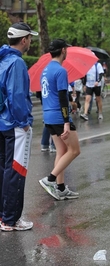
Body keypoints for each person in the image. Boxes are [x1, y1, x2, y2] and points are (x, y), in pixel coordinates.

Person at [0, 22, 36, 231]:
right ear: (24, 40)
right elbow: (17, 96)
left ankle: (4, 215)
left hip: (2, 122)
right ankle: (11, 219)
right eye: (30, 38)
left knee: (4, 170)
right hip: (14, 124)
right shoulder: (17, 63)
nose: (31, 41)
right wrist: (24, 123)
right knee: (16, 170)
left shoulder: (2, 59)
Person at [39, 39, 80, 201]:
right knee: (75, 150)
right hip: (58, 116)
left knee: (62, 151)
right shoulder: (60, 71)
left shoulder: (46, 69)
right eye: (66, 49)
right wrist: (67, 122)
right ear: (63, 50)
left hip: (48, 116)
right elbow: (63, 97)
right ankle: (49, 179)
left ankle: (61, 187)